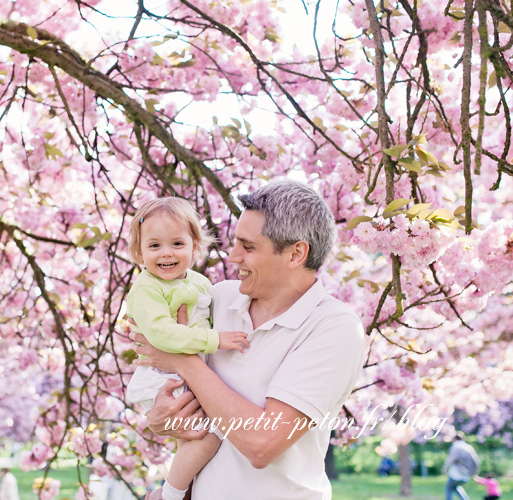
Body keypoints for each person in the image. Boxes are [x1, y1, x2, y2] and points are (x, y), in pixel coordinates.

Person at [132, 179, 365, 499]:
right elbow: (185, 408)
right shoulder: (218, 297)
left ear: (296, 253)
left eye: (248, 246)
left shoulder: (334, 327)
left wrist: (185, 362)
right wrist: (161, 418)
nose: (231, 256)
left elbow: (261, 443)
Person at [124, 197, 250, 500]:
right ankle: (170, 495)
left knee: (197, 436)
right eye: (154, 246)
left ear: (195, 247)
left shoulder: (200, 283)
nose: (166, 253)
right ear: (139, 252)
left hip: (184, 373)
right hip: (161, 375)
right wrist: (215, 340)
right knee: (208, 436)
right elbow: (163, 334)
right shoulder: (146, 288)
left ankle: (187, 490)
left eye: (177, 243)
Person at [443, 433, 481, 500]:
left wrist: (445, 470)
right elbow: (476, 461)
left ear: (455, 439)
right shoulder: (469, 447)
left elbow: (450, 460)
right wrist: (474, 473)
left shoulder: (455, 447)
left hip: (457, 473)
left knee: (449, 488)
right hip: (467, 475)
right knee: (456, 487)